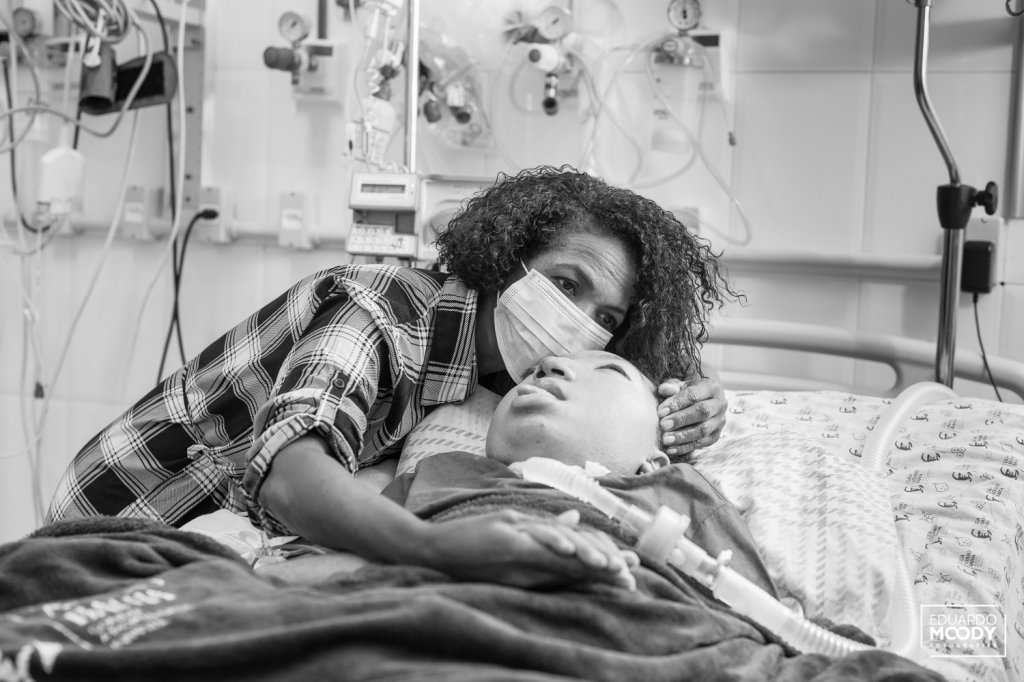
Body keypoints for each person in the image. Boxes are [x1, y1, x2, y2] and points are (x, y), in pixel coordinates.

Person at [46, 165, 740, 587]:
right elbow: (290, 471)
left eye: (606, 319)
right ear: (506, 264)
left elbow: (623, 396)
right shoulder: (381, 310)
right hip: (125, 521)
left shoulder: (509, 373)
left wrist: (693, 398)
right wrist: (436, 549)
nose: (577, 324)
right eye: (564, 284)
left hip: (235, 546)